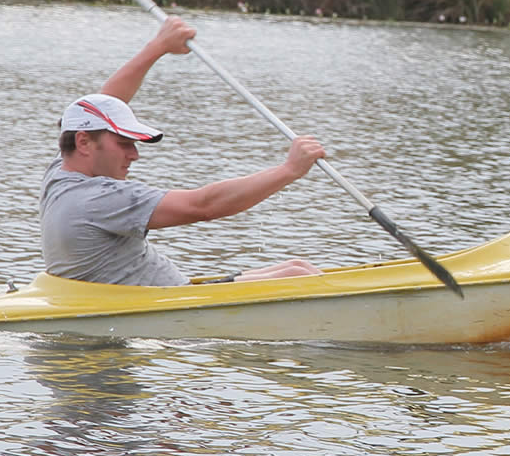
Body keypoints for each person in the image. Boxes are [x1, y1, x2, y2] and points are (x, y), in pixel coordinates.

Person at [41, 16, 328, 286]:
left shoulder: (62, 171)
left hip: (173, 292)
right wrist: (289, 170)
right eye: (124, 143)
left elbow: (106, 101)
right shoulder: (101, 199)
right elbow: (203, 206)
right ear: (83, 143)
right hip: (166, 307)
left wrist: (158, 47)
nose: (134, 155)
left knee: (296, 268)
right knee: (298, 275)